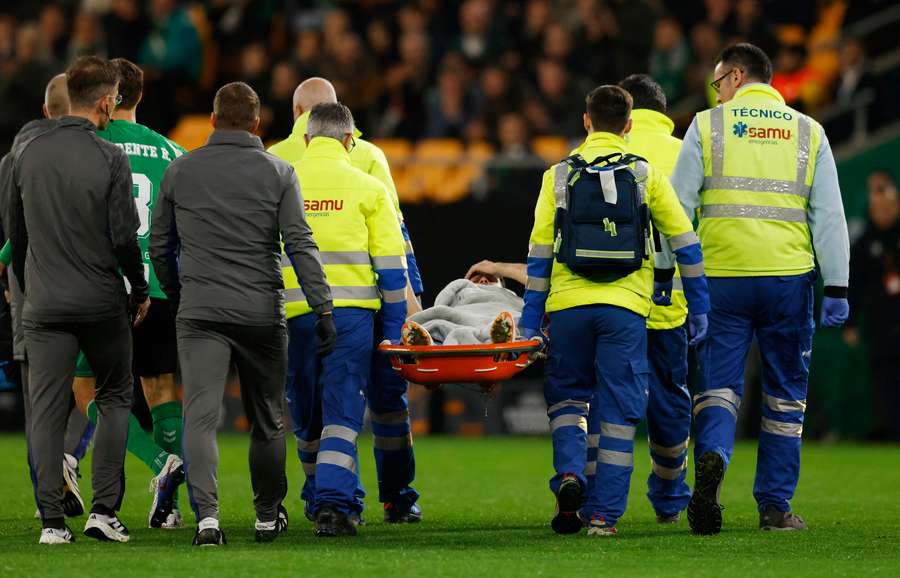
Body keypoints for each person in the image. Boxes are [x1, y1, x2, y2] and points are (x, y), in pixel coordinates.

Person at [670, 43, 850, 535]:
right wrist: (837, 284)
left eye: (717, 83)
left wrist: (671, 277)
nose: (717, 92)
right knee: (786, 396)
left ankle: (712, 458)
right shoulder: (809, 132)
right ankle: (774, 508)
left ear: (735, 75)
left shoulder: (707, 126)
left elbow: (677, 209)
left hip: (720, 281)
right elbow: (829, 215)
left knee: (717, 389)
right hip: (787, 281)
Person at [150, 82, 334, 546]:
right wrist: (322, 305)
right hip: (260, 312)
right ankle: (267, 517)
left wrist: (179, 293)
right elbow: (299, 243)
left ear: (212, 121)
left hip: (200, 312)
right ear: (257, 124)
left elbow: (159, 245)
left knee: (200, 418)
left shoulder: (181, 170)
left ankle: (207, 520)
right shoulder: (280, 171)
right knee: (268, 418)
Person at [522, 85, 710, 537]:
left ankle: (570, 477)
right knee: (619, 415)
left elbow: (539, 254)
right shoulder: (645, 175)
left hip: (568, 308)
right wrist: (699, 307)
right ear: (628, 126)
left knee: (568, 400)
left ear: (585, 122)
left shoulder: (558, 176)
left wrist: (531, 322)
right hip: (626, 309)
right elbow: (686, 243)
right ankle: (604, 516)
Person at [4, 56, 150, 545]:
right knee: (113, 398)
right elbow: (125, 237)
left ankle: (51, 523)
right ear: (107, 102)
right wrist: (139, 287)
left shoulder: (26, 153)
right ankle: (104, 513)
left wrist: (29, 285)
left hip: (42, 304)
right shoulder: (110, 157)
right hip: (100, 301)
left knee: (44, 410)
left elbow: (16, 235)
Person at [269, 77, 424, 523]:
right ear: (345, 129)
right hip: (359, 311)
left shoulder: (274, 161)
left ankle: (321, 497)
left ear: (300, 118)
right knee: (375, 404)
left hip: (290, 311)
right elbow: (396, 246)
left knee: (305, 408)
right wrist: (407, 321)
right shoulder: (369, 161)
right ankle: (392, 497)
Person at [77, 57, 189, 530]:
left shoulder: (89, 142)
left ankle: (155, 463)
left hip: (105, 285)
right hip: (160, 285)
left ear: (112, 95)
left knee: (88, 388)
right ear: (139, 97)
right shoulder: (173, 151)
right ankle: (173, 509)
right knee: (160, 387)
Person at [0, 73, 93, 522]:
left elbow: (13, 233)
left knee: (37, 401)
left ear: (44, 112)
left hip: (28, 294)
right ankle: (66, 467)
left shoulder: (12, 160)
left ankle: (47, 502)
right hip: (82, 289)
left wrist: (15, 283)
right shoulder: (89, 154)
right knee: (92, 390)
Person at [618, 74, 692, 524]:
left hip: (611, 302)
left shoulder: (598, 152)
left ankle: (598, 502)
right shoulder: (687, 153)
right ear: (664, 113)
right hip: (671, 306)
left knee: (607, 400)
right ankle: (669, 499)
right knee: (668, 403)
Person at [844, 171, 900, 441]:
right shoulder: (865, 242)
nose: (883, 213)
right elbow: (854, 285)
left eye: (888, 207)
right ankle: (889, 427)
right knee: (883, 376)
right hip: (880, 321)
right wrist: (851, 321)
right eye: (878, 208)